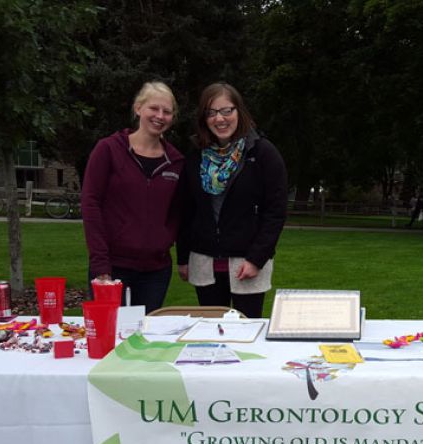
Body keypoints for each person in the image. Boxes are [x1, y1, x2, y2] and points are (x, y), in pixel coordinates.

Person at [177, 82, 288, 318]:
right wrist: (183, 257)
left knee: (245, 337)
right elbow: (186, 211)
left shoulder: (262, 154)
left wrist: (257, 258)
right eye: (212, 112)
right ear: (204, 118)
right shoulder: (195, 157)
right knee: (210, 335)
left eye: (227, 110)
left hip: (247, 264)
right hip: (204, 263)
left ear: (239, 111)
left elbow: (275, 212)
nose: (220, 119)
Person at [81, 81, 184, 313]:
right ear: (138, 108)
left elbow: (177, 212)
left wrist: (164, 239)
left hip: (156, 271)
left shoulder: (176, 162)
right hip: (112, 268)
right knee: (110, 337)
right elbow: (90, 204)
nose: (160, 116)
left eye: (167, 112)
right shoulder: (108, 150)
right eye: (153, 108)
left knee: (144, 340)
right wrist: (100, 267)